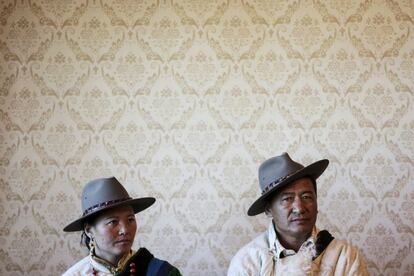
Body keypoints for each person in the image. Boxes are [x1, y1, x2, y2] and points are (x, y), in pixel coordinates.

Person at [227, 152, 369, 275]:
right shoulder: (247, 262)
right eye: (287, 199)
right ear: (268, 209)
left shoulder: (344, 257)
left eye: (306, 197)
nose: (299, 208)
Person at [63, 177, 181, 276]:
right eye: (113, 222)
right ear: (89, 231)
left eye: (130, 219)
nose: (125, 230)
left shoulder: (162, 272)